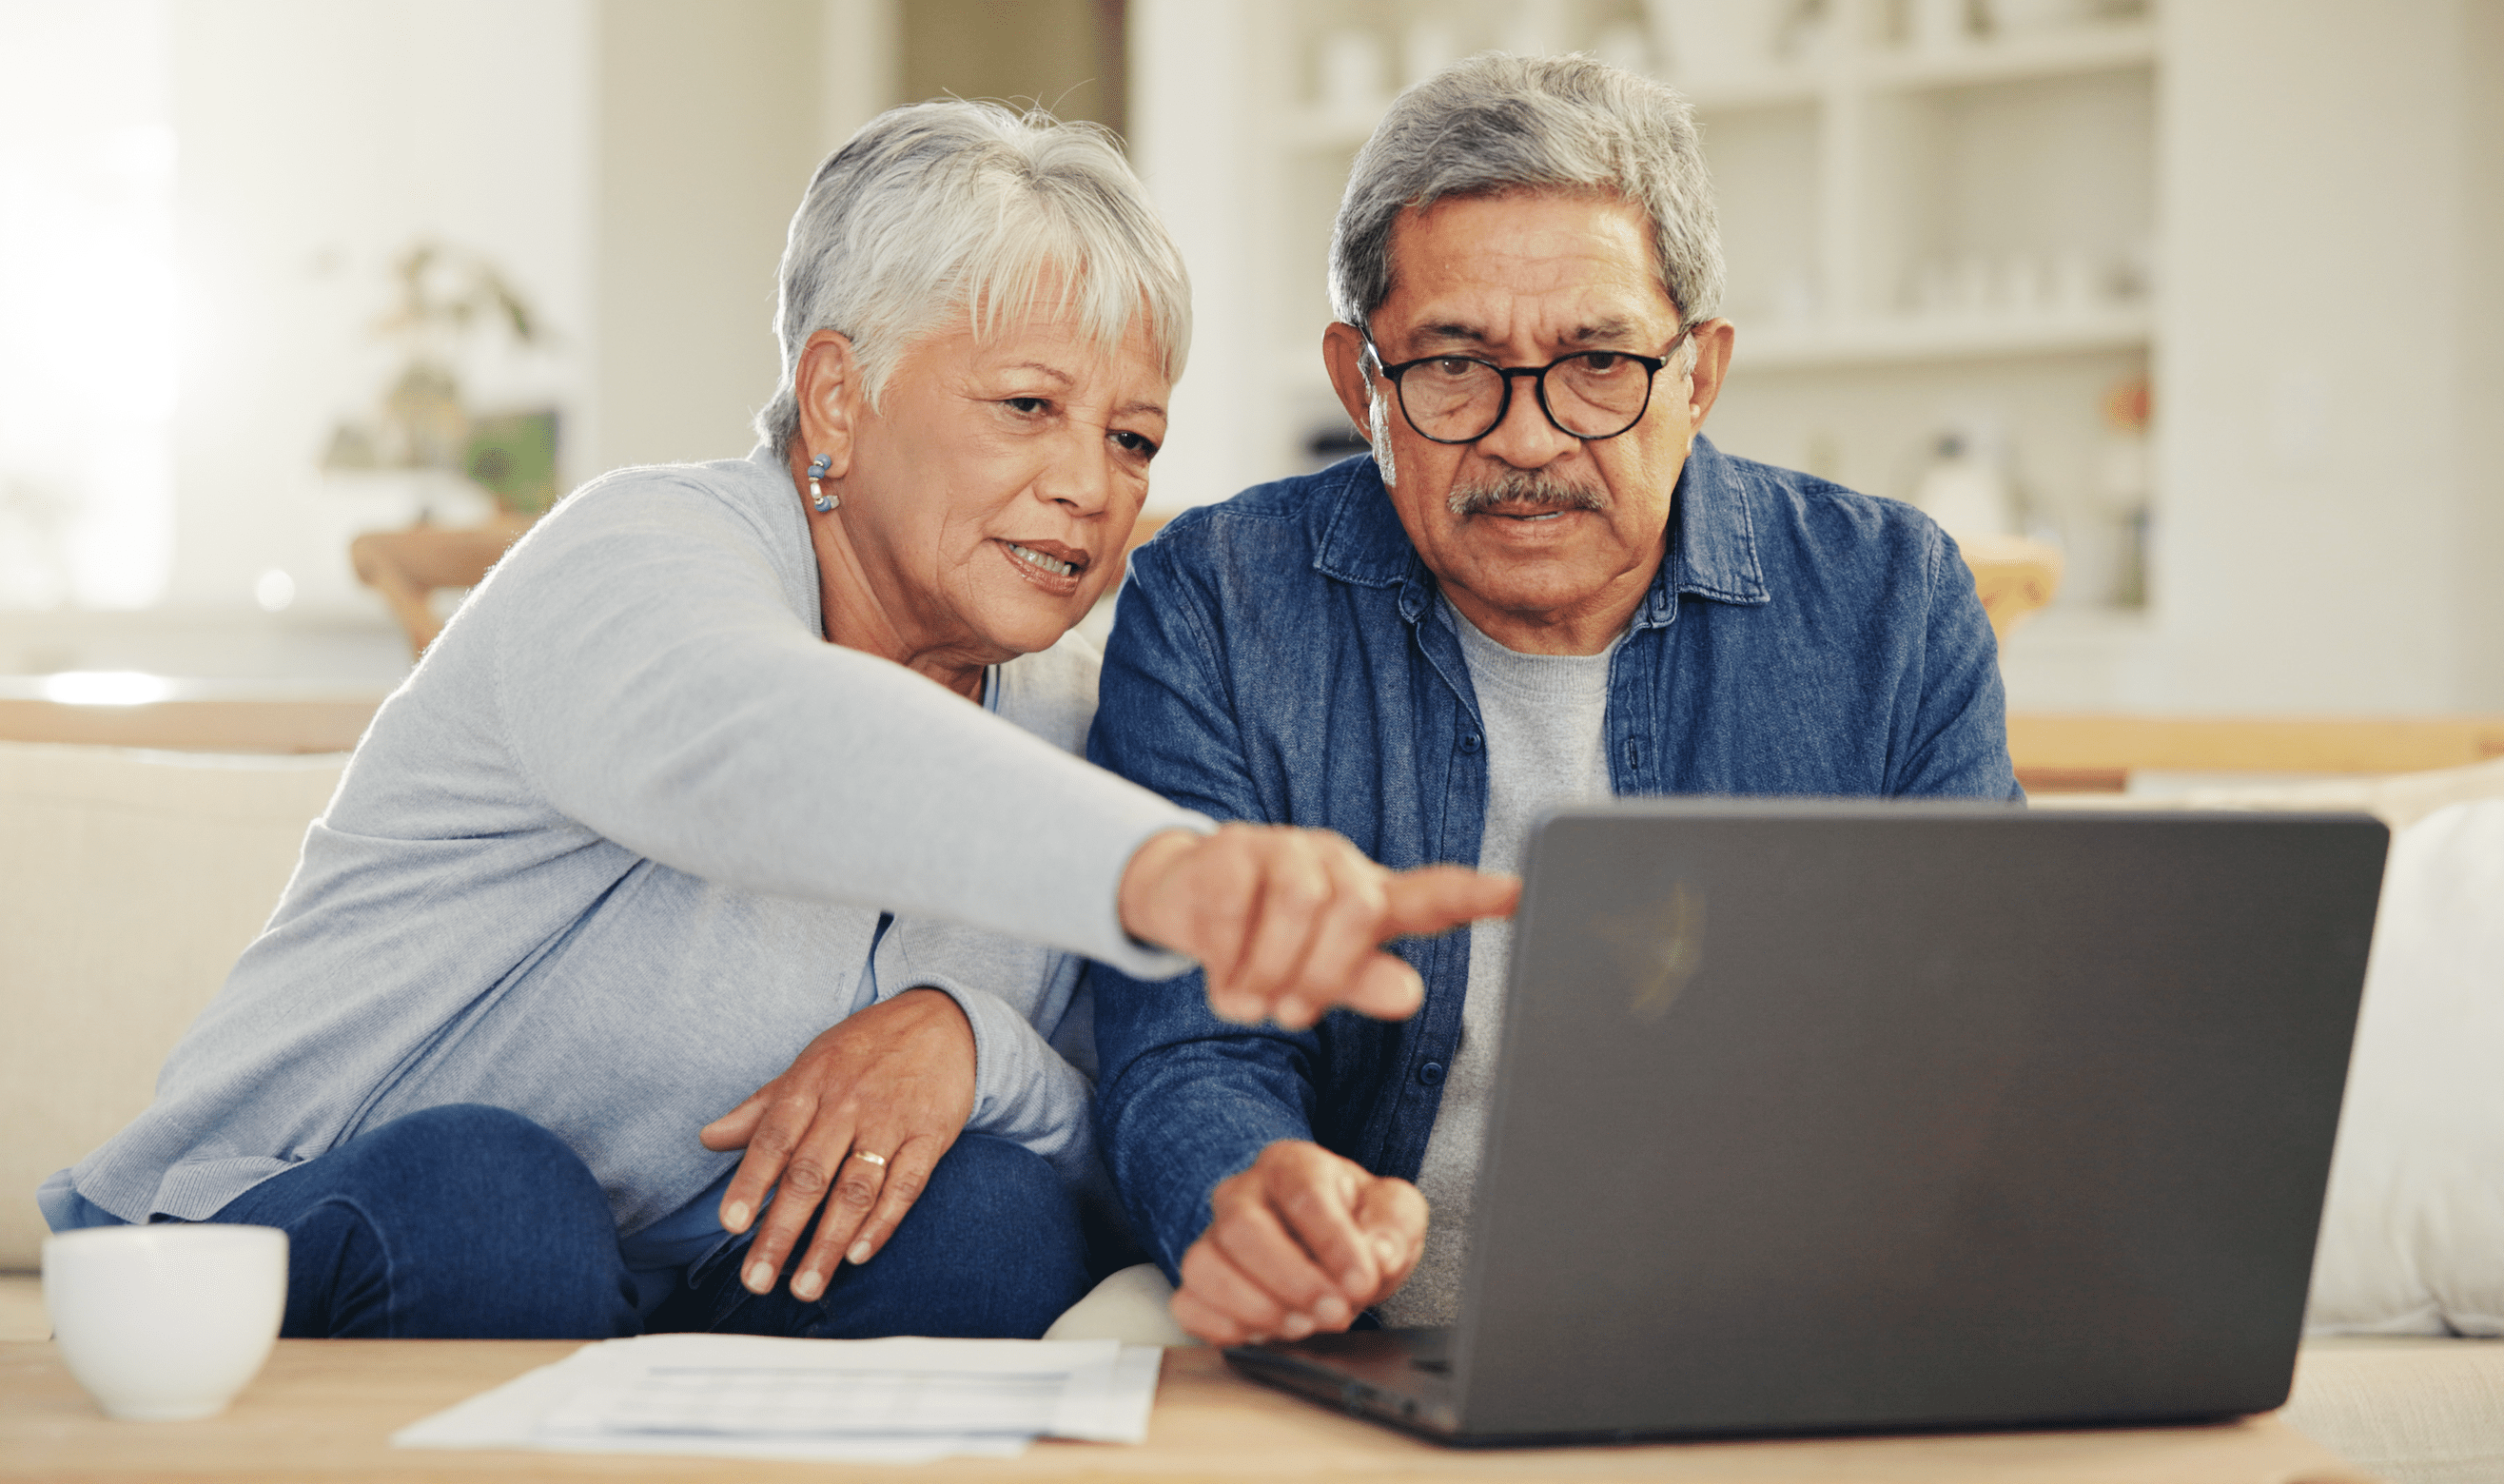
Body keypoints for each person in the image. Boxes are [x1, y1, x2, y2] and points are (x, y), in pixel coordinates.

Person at [36, 102, 1515, 1342]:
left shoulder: (1071, 720)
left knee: (998, 1219)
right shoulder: (639, 561)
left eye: (1131, 437)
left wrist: (966, 1041)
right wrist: (1169, 873)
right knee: (499, 1196)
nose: (1093, 482)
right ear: (836, 397)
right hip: (273, 1240)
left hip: (680, 1292)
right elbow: (761, 742)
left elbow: (1113, 1119)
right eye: (1026, 405)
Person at [1088, 53, 2023, 1346]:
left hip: (1780, 1338)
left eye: (1596, 362)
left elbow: (1978, 1036)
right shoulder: (1217, 604)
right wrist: (1248, 1191)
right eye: (1454, 367)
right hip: (1364, 1346)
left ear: (1698, 373)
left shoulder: (1891, 601)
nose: (1528, 439)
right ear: (1362, 385)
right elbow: (1185, 1048)